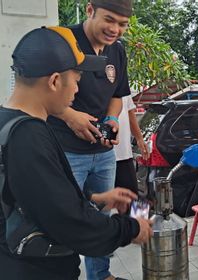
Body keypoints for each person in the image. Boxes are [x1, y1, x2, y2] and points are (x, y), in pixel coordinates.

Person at [0, 26, 153, 280]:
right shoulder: (28, 136)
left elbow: (37, 199)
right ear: (55, 81)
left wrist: (95, 199)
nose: (77, 91)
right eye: (77, 80)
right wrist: (131, 228)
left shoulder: (10, 122)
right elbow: (69, 224)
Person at [47, 1, 134, 279]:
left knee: (101, 217)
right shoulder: (63, 41)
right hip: (65, 150)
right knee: (65, 218)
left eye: (122, 24)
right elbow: (38, 92)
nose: (115, 29)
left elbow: (117, 96)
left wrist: (111, 119)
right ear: (89, 10)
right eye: (109, 20)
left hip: (103, 152)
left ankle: (101, 275)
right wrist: (70, 116)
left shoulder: (117, 51)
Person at [114, 94, 149, 196]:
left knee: (134, 199)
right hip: (100, 154)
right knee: (102, 205)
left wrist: (140, 138)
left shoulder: (121, 82)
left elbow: (130, 112)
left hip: (124, 154)